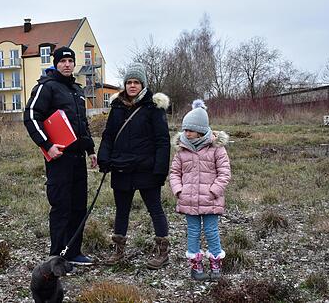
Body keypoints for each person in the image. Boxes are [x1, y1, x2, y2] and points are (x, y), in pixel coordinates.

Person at [23, 46, 98, 266]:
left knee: (78, 207)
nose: (67, 64)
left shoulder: (77, 90)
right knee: (61, 207)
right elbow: (30, 117)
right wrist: (47, 145)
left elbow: (82, 124)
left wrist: (91, 150)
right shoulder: (47, 87)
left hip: (78, 160)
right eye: (63, 61)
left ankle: (73, 253)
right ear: (56, 64)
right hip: (59, 160)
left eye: (70, 61)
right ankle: (57, 256)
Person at [97, 63, 171, 269]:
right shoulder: (117, 106)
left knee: (155, 209)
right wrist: (104, 158)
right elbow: (109, 135)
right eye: (129, 82)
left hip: (146, 169)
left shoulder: (153, 107)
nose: (132, 85)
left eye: (136, 82)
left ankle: (162, 252)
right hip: (121, 168)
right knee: (121, 211)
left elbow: (162, 140)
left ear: (143, 84)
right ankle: (119, 251)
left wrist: (160, 170)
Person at [169, 99, 231, 280]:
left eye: (189, 130)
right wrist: (179, 191)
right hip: (188, 200)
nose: (185, 133)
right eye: (184, 130)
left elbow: (225, 173)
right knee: (193, 232)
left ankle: (215, 264)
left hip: (210, 200)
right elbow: (174, 173)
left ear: (201, 130)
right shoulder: (181, 150)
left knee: (211, 231)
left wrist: (214, 191)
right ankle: (196, 266)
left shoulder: (216, 149)